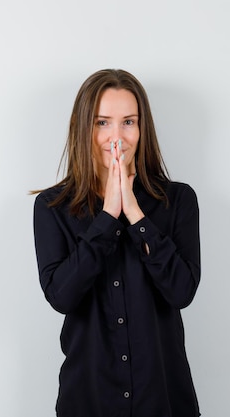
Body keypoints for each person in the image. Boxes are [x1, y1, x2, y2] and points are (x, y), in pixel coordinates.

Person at [33, 69, 201, 417]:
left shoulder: (178, 200)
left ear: (142, 129)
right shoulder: (52, 208)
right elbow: (61, 296)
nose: (116, 137)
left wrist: (137, 216)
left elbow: (182, 291)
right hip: (88, 399)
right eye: (102, 123)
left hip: (164, 398)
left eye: (128, 122)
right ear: (84, 128)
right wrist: (108, 216)